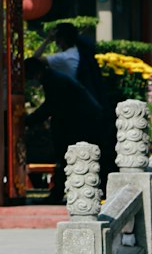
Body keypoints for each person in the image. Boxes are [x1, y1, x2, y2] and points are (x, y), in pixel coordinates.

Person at [24, 56, 112, 203]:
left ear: (36, 73)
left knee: (68, 158)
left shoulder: (54, 81)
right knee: (70, 159)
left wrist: (28, 120)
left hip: (84, 122)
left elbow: (51, 107)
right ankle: (62, 193)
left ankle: (60, 194)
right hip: (82, 121)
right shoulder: (54, 78)